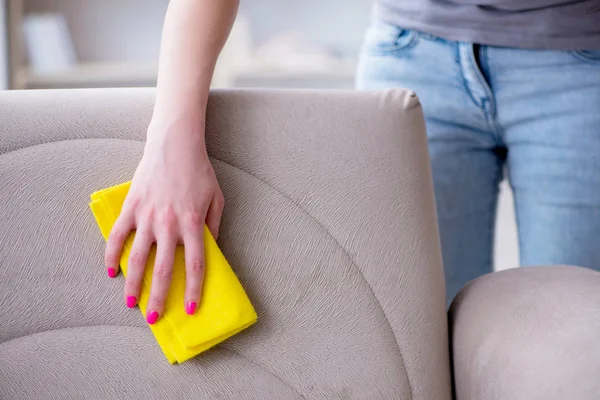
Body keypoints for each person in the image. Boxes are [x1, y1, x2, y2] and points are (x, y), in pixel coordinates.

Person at [104, 0, 600, 322]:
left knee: (574, 333)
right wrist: (171, 136)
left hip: (580, 56)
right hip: (412, 55)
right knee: (422, 336)